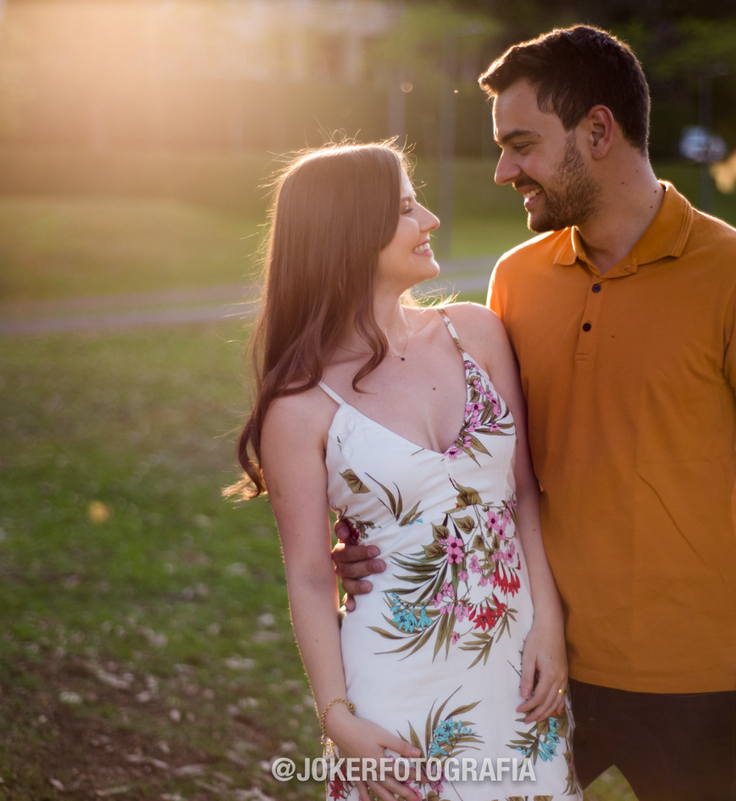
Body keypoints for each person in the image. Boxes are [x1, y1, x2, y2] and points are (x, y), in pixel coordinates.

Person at [334, 26, 736, 801]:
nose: (503, 170)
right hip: (528, 662)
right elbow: (484, 464)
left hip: (694, 679)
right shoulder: (517, 278)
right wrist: (372, 538)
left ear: (598, 131)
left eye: (521, 145)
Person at [229, 142, 581, 801]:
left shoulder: (477, 333)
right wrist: (339, 721)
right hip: (393, 692)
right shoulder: (299, 407)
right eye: (404, 208)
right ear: (348, 233)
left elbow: (525, 497)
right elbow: (308, 577)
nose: (430, 220)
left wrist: (548, 623)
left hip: (518, 672)